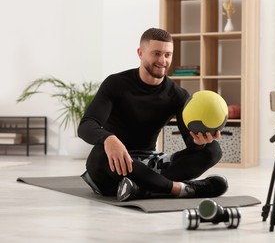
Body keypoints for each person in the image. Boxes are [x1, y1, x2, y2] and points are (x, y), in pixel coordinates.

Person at [78, 27, 228, 201]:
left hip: (151, 164)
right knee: (100, 154)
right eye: (156, 53)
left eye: (167, 55)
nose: (162, 60)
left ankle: (143, 188)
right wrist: (109, 139)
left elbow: (191, 142)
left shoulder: (178, 95)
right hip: (113, 165)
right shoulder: (116, 83)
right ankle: (178, 189)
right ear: (140, 53)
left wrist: (199, 142)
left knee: (213, 150)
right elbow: (86, 125)